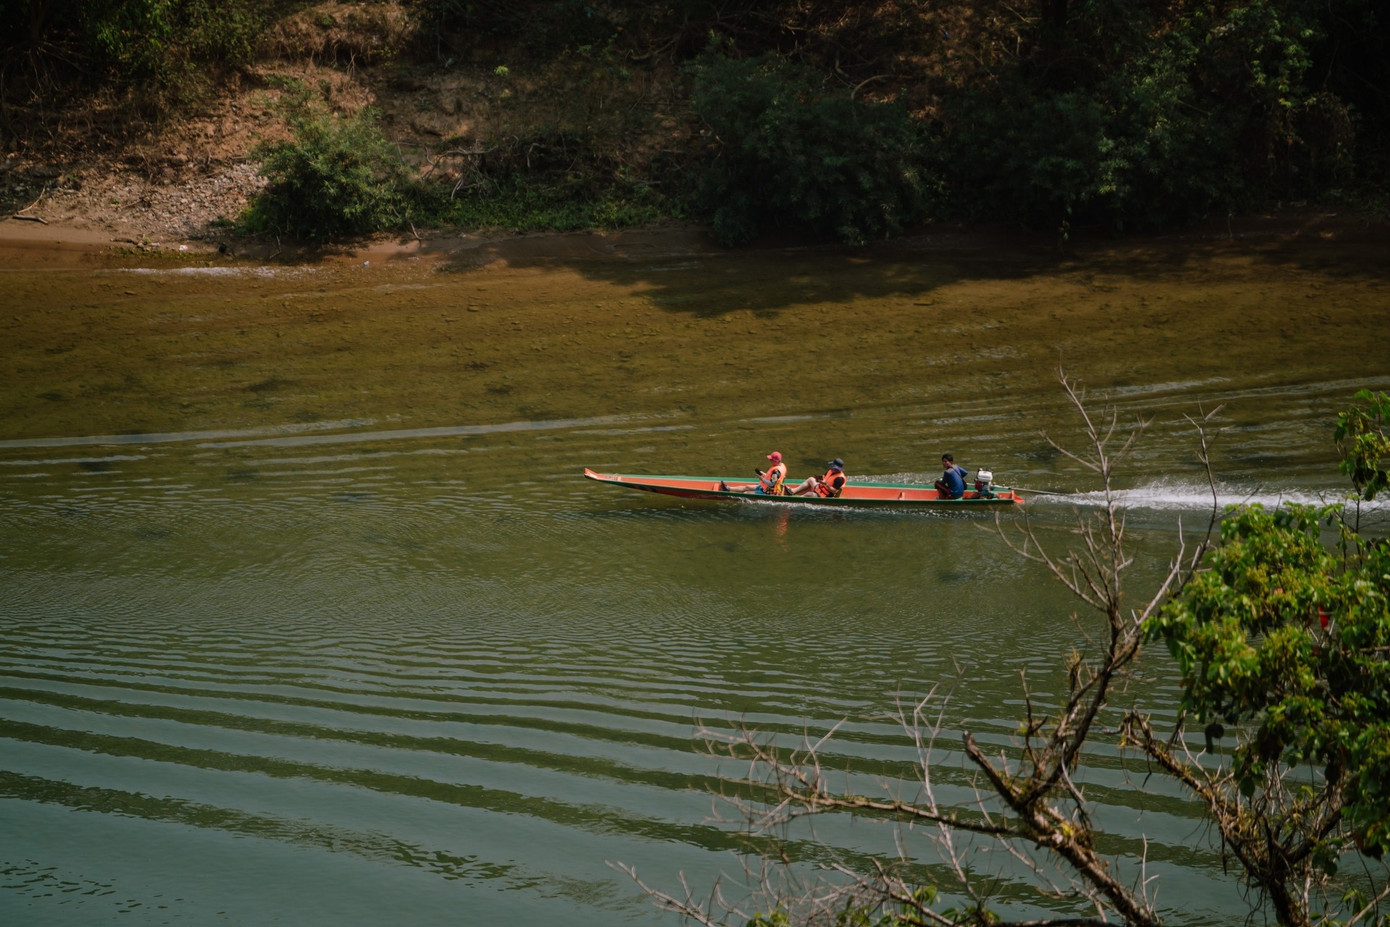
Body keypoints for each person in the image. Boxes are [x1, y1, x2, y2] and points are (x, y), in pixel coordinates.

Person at [722, 451, 787, 494]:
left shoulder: (776, 471)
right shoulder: (781, 465)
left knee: (747, 493)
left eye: (771, 460)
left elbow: (772, 484)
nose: (770, 461)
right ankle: (728, 488)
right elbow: (773, 478)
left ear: (776, 460)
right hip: (765, 487)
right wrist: (764, 474)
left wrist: (762, 479)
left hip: (769, 492)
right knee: (747, 487)